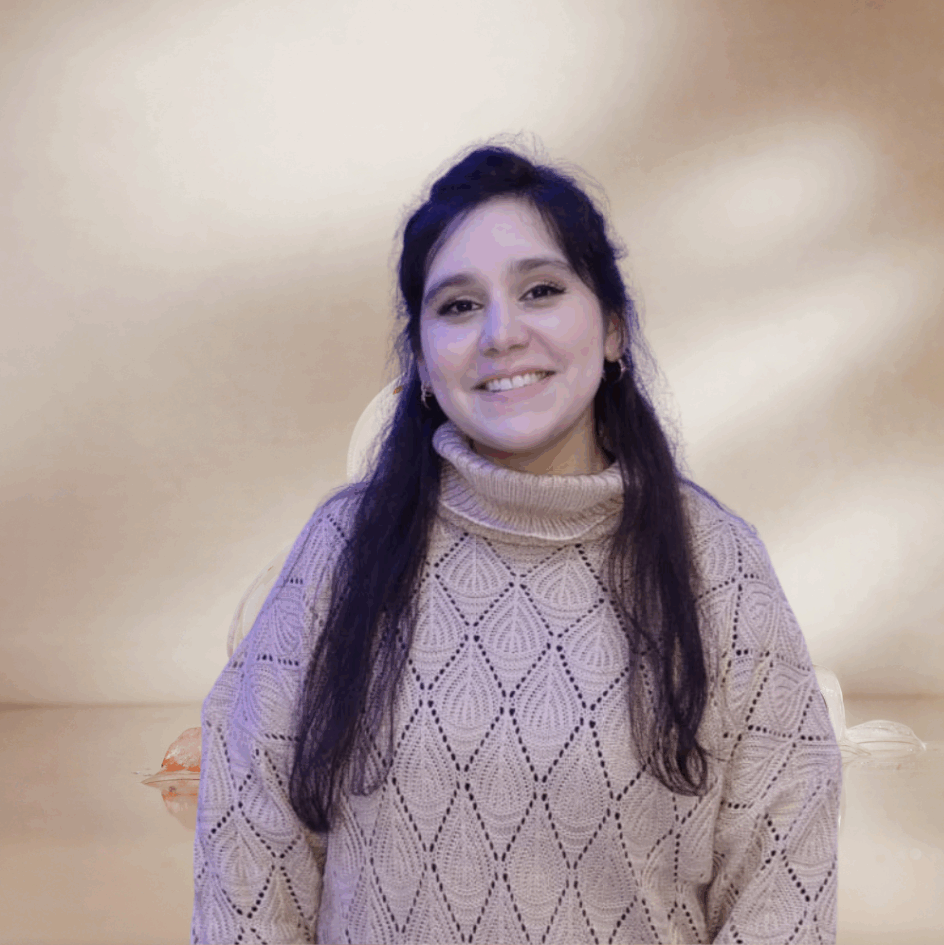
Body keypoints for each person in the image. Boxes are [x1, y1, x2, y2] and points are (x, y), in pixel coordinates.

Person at [191, 141, 843, 944]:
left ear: (612, 329)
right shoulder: (343, 552)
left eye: (541, 290)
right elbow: (248, 865)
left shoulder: (719, 569)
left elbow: (782, 891)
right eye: (459, 306)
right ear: (422, 360)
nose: (502, 334)